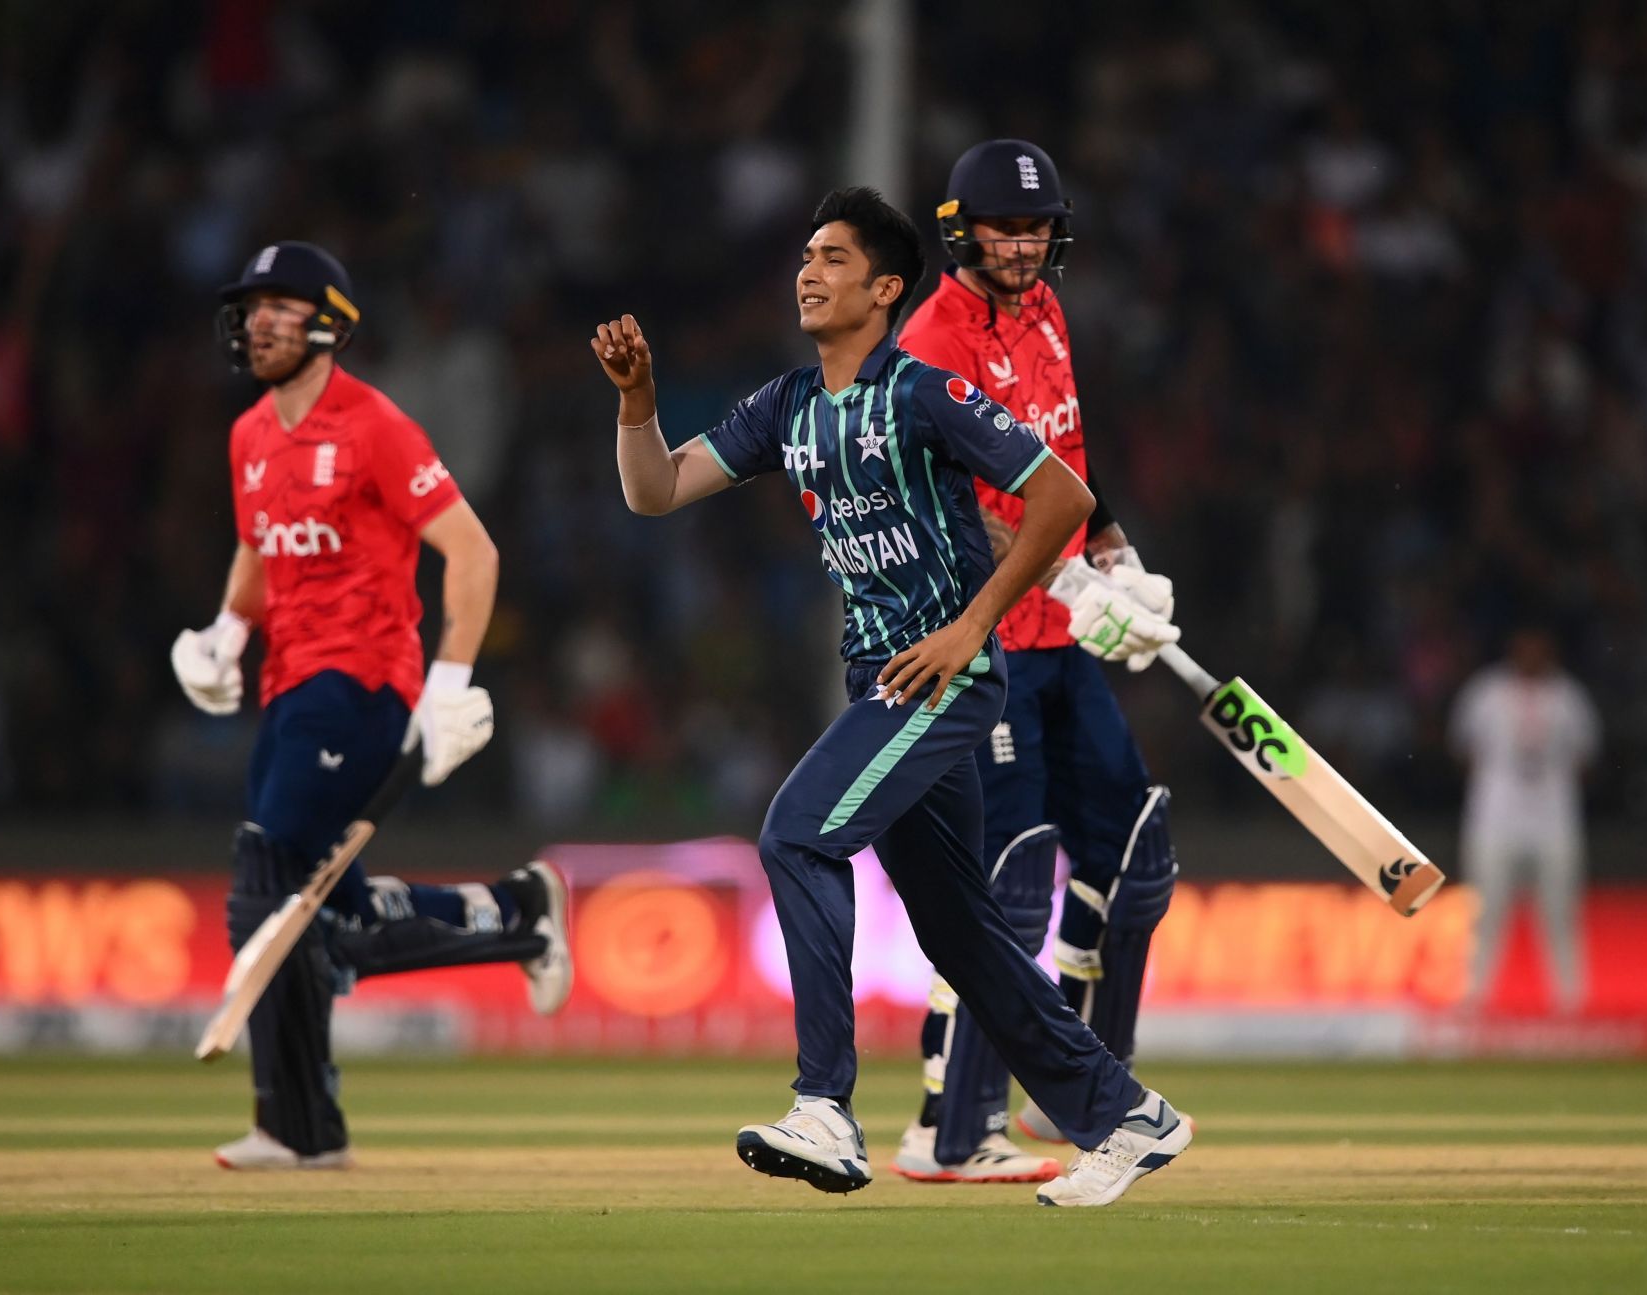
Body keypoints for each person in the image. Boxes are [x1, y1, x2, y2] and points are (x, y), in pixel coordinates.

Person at [592, 188, 1190, 1207]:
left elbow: (1065, 499)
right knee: (958, 928)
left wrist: (970, 629)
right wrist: (638, 400)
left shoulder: (922, 392)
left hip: (940, 677)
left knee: (794, 833)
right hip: (882, 680)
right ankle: (1127, 1113)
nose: (807, 272)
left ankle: (825, 1104)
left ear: (884, 288)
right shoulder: (789, 404)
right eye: (804, 256)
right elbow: (653, 491)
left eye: (832, 257)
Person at [172, 241, 573, 1170]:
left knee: (264, 887)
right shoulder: (249, 436)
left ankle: (297, 1124)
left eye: (279, 305)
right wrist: (227, 634)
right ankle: (515, 914)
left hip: (359, 684)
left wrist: (450, 682)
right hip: (286, 686)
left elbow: (473, 554)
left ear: (328, 321)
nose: (258, 320)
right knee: (320, 906)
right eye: (252, 307)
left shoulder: (376, 425)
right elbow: (258, 548)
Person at [890, 139, 1181, 1183]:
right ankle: (952, 1129)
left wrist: (1113, 552)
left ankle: (1084, 1090)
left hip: (1061, 637)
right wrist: (1055, 580)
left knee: (1135, 852)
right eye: (1003, 228)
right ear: (962, 228)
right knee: (1007, 882)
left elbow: (1060, 459)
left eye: (1037, 227)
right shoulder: (932, 338)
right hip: (985, 641)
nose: (1022, 245)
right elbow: (947, 501)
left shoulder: (1046, 314)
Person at [1450, 625, 1600, 1014]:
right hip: (1495, 819)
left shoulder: (1568, 697)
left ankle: (1571, 1003)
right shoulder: (1485, 693)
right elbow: (1463, 749)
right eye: (1525, 648)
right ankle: (1475, 999)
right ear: (1513, 650)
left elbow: (1586, 757)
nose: (1531, 656)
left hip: (1554, 819)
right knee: (1485, 912)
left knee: (1560, 912)